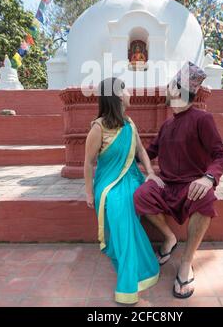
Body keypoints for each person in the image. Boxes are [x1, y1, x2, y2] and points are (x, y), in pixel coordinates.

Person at [134, 62, 223, 299]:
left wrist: (208, 178)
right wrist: (123, 142)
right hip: (166, 186)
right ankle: (169, 238)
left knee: (207, 198)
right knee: (140, 195)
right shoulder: (166, 125)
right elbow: (149, 152)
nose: (166, 89)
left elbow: (222, 155)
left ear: (177, 90)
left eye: (169, 86)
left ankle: (186, 262)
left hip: (191, 187)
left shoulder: (202, 119)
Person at [84, 77, 163, 304]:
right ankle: (128, 280)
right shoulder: (98, 128)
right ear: (118, 95)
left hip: (132, 177)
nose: (130, 92)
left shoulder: (130, 124)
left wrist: (150, 173)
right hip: (108, 184)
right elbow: (89, 163)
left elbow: (141, 151)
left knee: (140, 196)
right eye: (126, 89)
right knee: (120, 205)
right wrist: (89, 193)